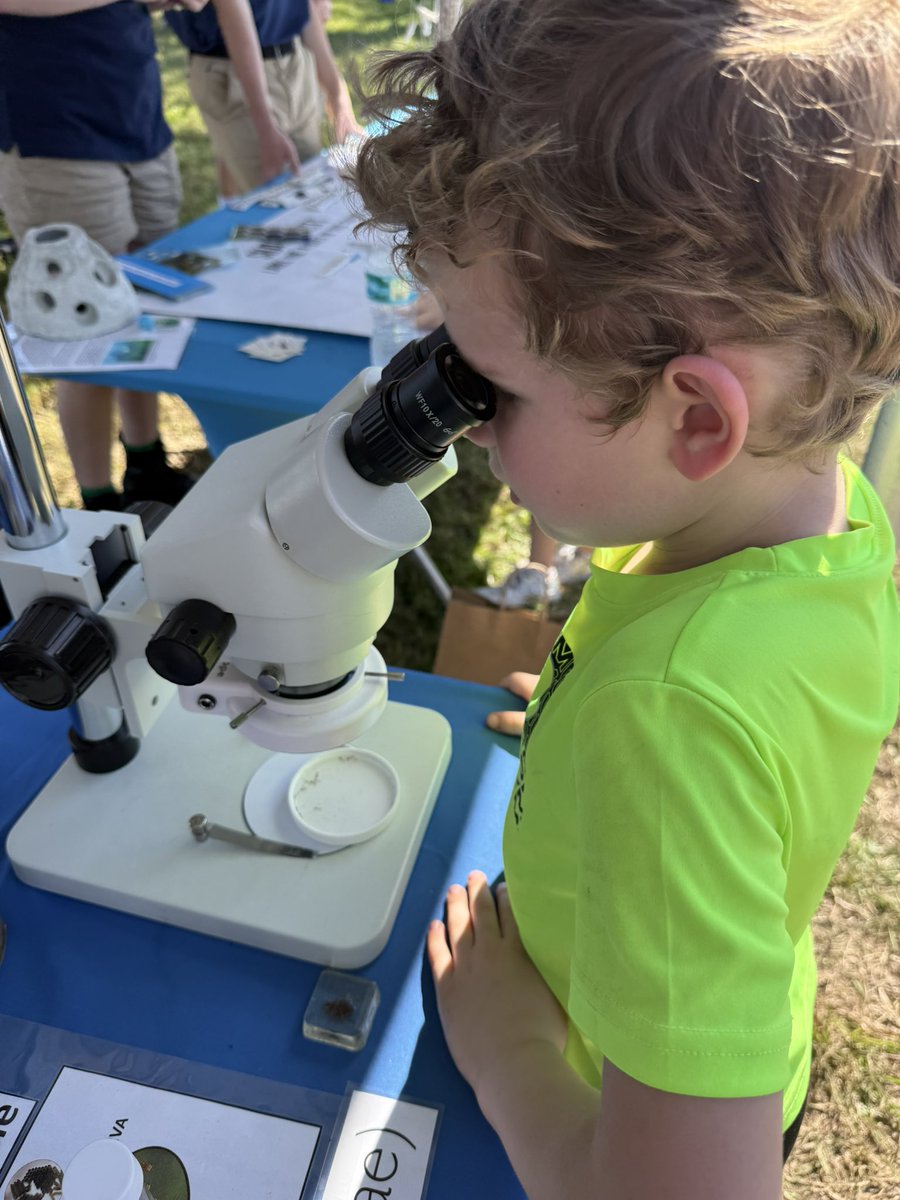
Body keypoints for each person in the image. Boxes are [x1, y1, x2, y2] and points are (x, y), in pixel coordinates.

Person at [350, 1, 900, 1195]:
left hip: (600, 1109)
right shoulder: (825, 514)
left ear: (697, 419)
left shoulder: (670, 723)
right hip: (726, 1024)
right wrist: (589, 708)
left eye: (488, 383)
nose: (463, 414)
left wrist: (509, 1061)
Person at [0, 0, 212, 511]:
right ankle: (98, 504)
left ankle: (147, 465)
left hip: (134, 114)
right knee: (86, 325)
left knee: (140, 306)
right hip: (52, 129)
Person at [166, 0, 363, 198]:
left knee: (322, 192)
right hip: (236, 75)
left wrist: (339, 102)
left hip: (294, 61)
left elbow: (306, 7)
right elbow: (233, 16)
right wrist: (265, 125)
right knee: (275, 201)